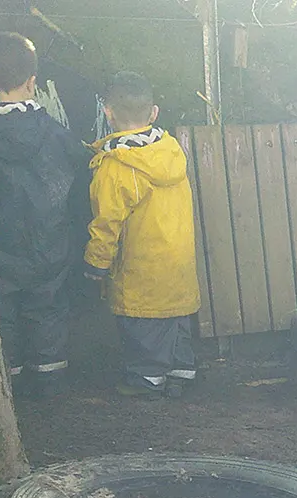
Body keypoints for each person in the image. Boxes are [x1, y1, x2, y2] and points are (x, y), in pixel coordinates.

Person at [0, 32, 88, 400]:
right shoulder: (59, 135)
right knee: (49, 308)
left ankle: (7, 377)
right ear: (32, 82)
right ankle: (49, 378)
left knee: (3, 312)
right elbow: (79, 188)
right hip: (50, 242)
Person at [84, 71, 200, 397]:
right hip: (178, 262)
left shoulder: (115, 166)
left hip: (142, 266)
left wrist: (96, 263)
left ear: (108, 112)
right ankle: (182, 369)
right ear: (154, 113)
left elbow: (107, 222)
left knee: (143, 321)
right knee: (175, 316)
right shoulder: (170, 151)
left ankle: (147, 377)